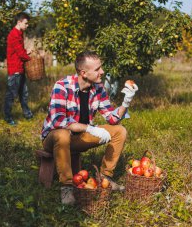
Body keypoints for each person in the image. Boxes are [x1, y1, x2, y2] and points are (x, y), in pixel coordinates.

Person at [41, 51, 138, 205]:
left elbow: (112, 118)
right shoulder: (62, 86)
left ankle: (106, 177)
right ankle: (66, 187)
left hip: (79, 137)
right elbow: (59, 121)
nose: (102, 72)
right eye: (97, 69)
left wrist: (126, 102)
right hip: (54, 139)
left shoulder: (98, 88)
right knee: (62, 134)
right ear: (84, 73)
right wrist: (90, 129)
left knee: (120, 131)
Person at [3, 12, 33, 125]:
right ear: (19, 22)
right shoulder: (14, 34)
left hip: (20, 68)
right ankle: (8, 117)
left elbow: (20, 51)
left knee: (23, 93)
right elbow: (20, 53)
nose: (27, 25)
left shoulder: (19, 33)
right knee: (11, 95)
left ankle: (27, 114)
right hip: (15, 69)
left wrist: (27, 53)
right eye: (26, 23)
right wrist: (29, 57)